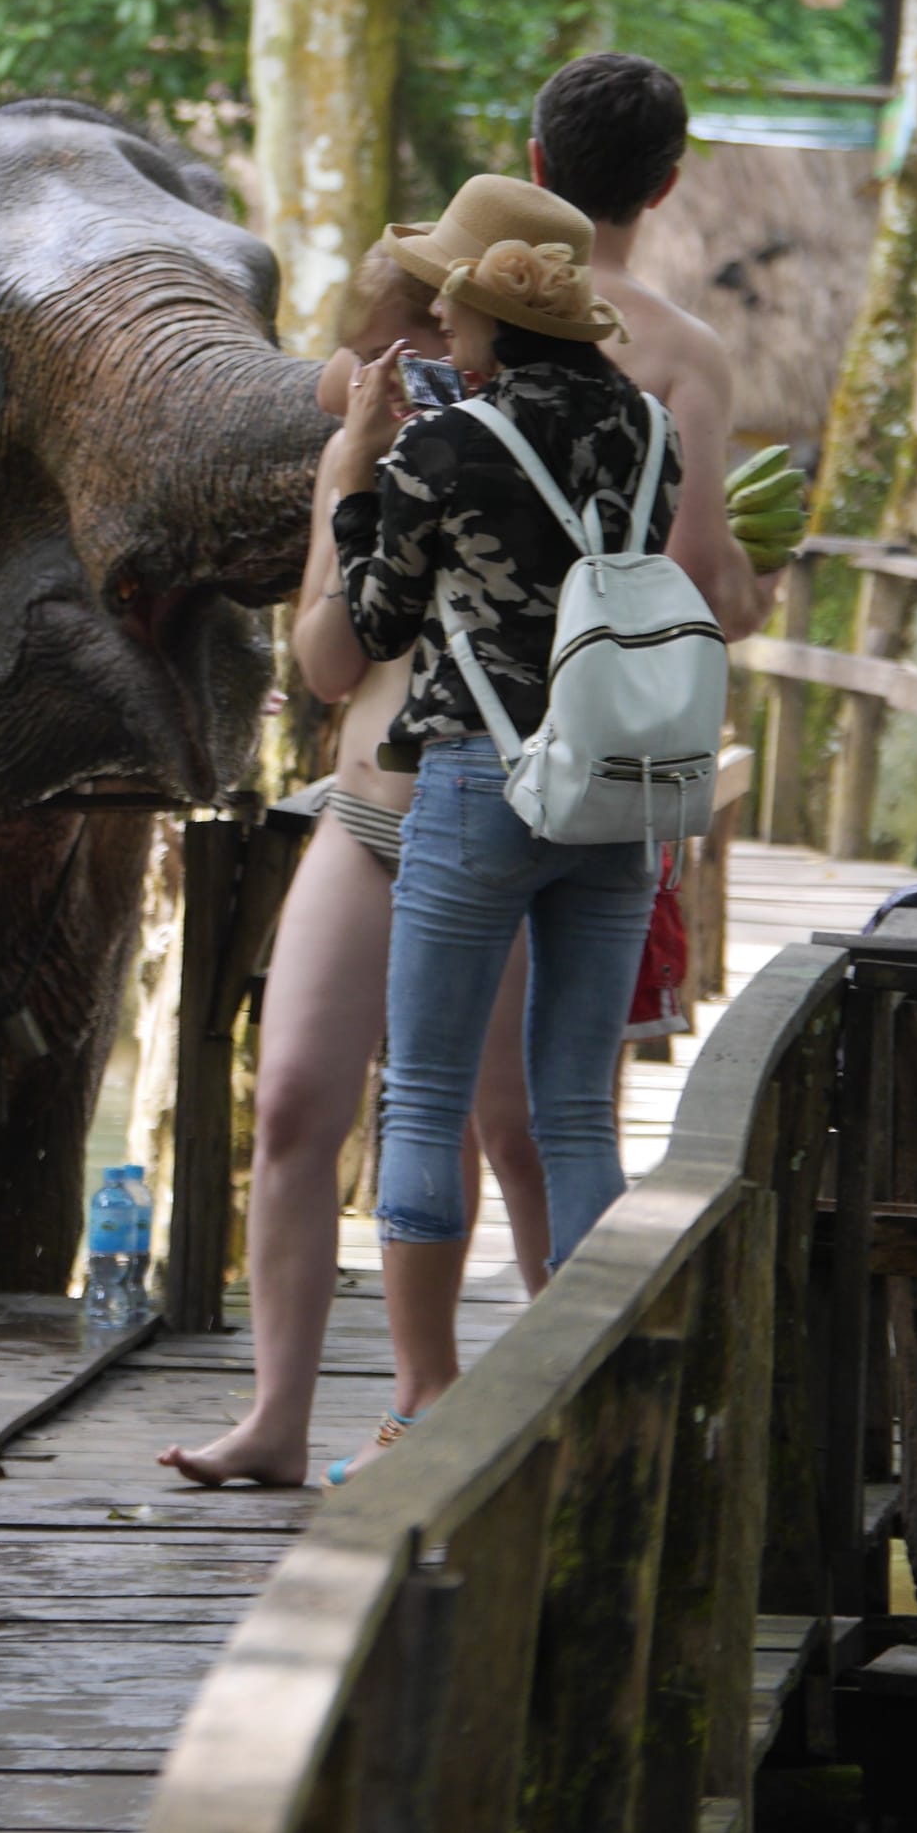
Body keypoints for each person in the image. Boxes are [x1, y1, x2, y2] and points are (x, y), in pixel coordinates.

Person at [158, 246, 551, 1491]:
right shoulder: (372, 447)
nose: (432, 358)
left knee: (512, 1126)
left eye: (452, 332)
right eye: (412, 337)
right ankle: (277, 1417)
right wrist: (351, 457)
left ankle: (519, 1390)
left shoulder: (555, 447)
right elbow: (327, 669)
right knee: (289, 1110)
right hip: (365, 812)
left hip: (495, 823)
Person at [327, 176, 673, 1475]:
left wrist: (358, 478)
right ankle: (586, 1408)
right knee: (577, 1111)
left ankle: (425, 1408)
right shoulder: (647, 427)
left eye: (447, 299)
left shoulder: (444, 444)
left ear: (480, 312)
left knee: (422, 1096)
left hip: (478, 775)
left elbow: (371, 620)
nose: (436, 319)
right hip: (619, 785)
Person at [530, 52, 772, 642]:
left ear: (536, 162)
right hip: (594, 701)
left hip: (446, 692)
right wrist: (759, 588)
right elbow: (696, 579)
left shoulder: (454, 307)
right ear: (665, 186)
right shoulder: (686, 352)